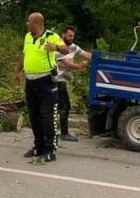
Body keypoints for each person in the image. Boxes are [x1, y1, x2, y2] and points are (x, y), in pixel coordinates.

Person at [15, 12, 69, 161]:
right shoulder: (27, 37)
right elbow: (24, 55)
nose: (26, 24)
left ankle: (50, 149)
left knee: (48, 115)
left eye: (29, 22)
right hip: (30, 80)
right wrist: (17, 72)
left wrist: (56, 47)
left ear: (37, 23)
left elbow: (66, 50)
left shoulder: (50, 36)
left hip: (45, 80)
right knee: (34, 115)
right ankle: (38, 146)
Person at [53, 25, 90, 143]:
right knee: (65, 106)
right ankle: (63, 133)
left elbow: (85, 54)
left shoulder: (73, 47)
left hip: (62, 81)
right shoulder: (58, 47)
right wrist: (81, 66)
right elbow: (68, 63)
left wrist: (99, 58)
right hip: (57, 80)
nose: (71, 38)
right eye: (69, 35)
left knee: (57, 106)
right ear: (63, 34)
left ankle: (53, 131)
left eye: (73, 36)